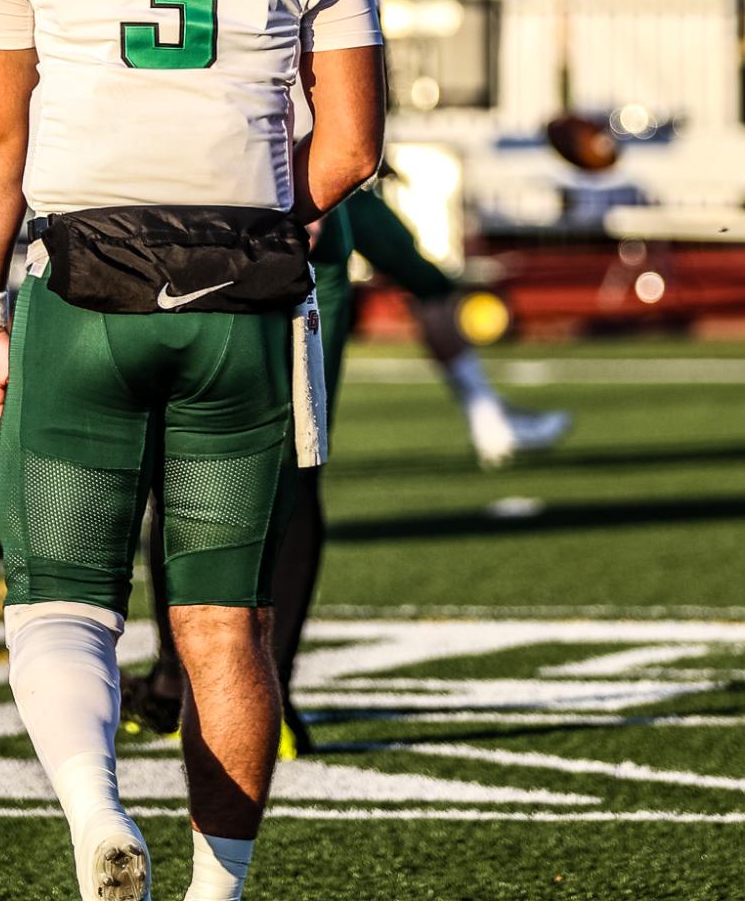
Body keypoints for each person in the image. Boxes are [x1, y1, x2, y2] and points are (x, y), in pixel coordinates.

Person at [0, 0, 386, 901]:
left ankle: (93, 807)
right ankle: (219, 888)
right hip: (243, 289)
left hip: (76, 278)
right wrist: (246, 225)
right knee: (219, 627)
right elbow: (350, 148)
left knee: (60, 601)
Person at [123, 188, 572, 756]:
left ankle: (238, 693)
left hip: (268, 224)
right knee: (216, 464)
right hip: (222, 221)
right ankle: (201, 685)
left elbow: (347, 146)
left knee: (260, 465)